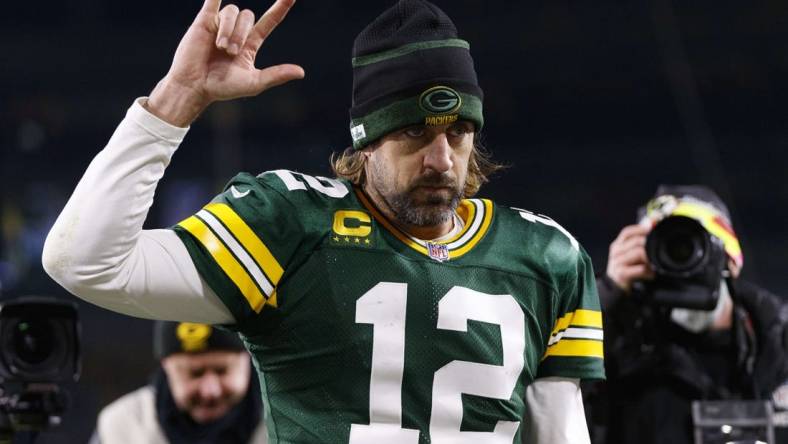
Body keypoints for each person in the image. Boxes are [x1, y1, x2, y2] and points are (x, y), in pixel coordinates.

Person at [42, 0, 605, 442]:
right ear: (365, 142)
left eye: (457, 133)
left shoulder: (544, 255)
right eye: (413, 132)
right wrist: (178, 98)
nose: (440, 159)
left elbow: (559, 432)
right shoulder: (292, 226)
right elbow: (84, 262)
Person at [592, 184, 788, 444]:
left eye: (691, 245)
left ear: (730, 260)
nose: (680, 259)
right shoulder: (617, 347)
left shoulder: (778, 343)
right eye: (666, 248)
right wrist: (606, 295)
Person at [90, 321, 267, 444]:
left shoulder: (287, 419)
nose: (210, 391)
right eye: (194, 374)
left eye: (222, 371)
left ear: (249, 359)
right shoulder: (122, 427)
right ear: (166, 367)